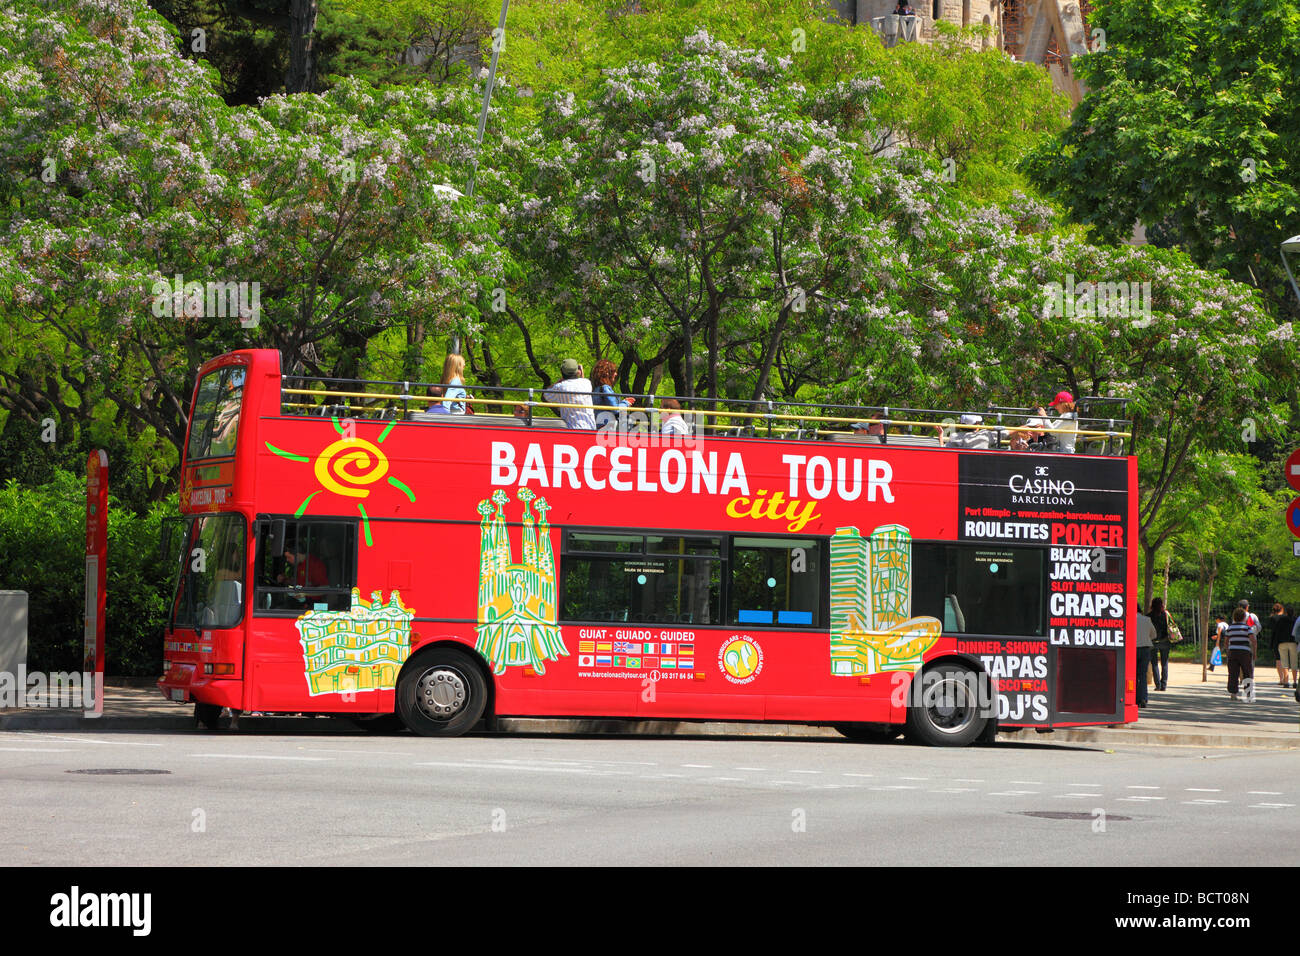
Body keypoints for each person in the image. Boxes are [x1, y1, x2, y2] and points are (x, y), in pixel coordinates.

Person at [542, 358, 596, 429]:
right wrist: (581, 372)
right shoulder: (587, 383)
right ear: (577, 371)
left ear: (562, 372)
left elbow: (545, 396)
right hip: (590, 428)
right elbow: (582, 382)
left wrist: (559, 380)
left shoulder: (559, 387)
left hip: (572, 430)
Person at [1223, 607, 1257, 701]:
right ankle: (1248, 694)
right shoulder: (1247, 628)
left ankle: (1233, 693)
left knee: (1233, 673)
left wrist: (1228, 650)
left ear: (1234, 617)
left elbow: (1226, 641)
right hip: (1245, 652)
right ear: (1244, 617)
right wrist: (1254, 652)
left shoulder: (1230, 628)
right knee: (1247, 672)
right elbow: (1253, 641)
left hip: (1233, 651)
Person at [591, 358, 635, 430]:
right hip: (607, 425)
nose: (616, 374)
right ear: (607, 373)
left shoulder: (596, 389)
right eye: (614, 371)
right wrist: (626, 403)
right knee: (630, 419)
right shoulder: (605, 388)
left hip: (599, 424)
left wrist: (623, 401)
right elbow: (615, 409)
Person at [1267, 602, 1295, 688]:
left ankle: (1281, 679)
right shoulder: (1285, 617)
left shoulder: (1272, 618)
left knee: (1278, 660)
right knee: (1290, 660)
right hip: (1288, 639)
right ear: (1282, 609)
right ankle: (1290, 679)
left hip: (1276, 640)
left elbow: (1270, 628)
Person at [1134, 607, 1155, 708]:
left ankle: (1133, 697)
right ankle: (1143, 698)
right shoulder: (1147, 619)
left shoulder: (1128, 619)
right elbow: (1153, 634)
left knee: (1132, 675)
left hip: (1132, 649)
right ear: (1140, 610)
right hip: (1145, 649)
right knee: (1142, 675)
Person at [1148, 597, 1171, 690]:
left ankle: (1158, 685)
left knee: (1154, 663)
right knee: (1164, 663)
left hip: (1153, 642)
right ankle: (1164, 684)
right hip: (1165, 641)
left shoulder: (1149, 616)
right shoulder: (1166, 615)